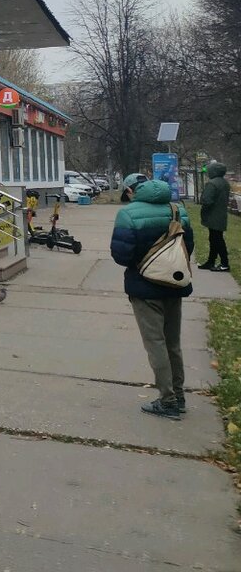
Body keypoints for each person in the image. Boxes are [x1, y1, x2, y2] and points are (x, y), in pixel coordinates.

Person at [110, 173, 194, 420]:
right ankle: (179, 396)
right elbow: (188, 246)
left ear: (130, 191)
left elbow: (121, 255)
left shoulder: (127, 214)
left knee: (155, 343)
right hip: (174, 284)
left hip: (144, 288)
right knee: (173, 343)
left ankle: (167, 401)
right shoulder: (178, 210)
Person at [200, 162, 231, 273]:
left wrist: (203, 210)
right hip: (221, 215)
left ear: (213, 171)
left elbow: (207, 200)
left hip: (212, 215)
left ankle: (224, 264)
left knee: (217, 240)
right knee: (215, 239)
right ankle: (211, 261)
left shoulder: (212, 184)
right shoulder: (225, 183)